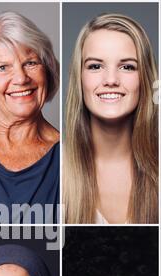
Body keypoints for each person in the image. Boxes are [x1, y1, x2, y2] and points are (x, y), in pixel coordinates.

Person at [0, 11, 60, 224]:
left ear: (48, 71)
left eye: (30, 63)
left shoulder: (73, 155)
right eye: (2, 68)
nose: (21, 78)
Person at [63, 14, 158, 224]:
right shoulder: (53, 170)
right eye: (96, 66)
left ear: (145, 78)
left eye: (127, 67)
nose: (111, 80)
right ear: (79, 78)